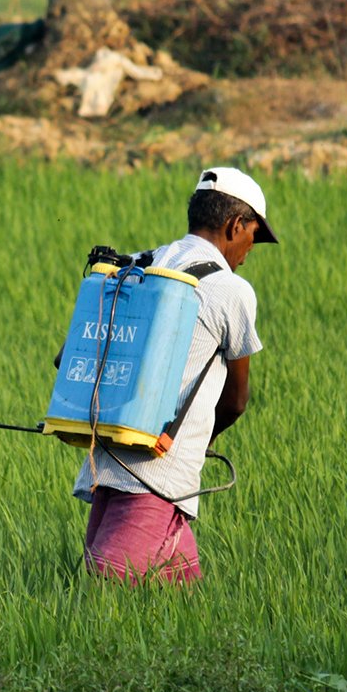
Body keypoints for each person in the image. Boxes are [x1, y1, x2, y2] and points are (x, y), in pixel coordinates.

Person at [72, 167, 277, 584]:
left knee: (181, 607)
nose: (250, 249)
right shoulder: (230, 289)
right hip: (159, 476)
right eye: (253, 235)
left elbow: (72, 354)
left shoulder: (140, 263)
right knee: (107, 590)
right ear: (235, 225)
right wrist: (204, 442)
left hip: (109, 462)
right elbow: (236, 400)